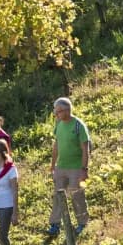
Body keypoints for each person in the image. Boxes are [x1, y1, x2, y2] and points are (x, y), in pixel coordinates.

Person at [48, 97, 90, 237]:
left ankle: (82, 223)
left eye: (58, 111)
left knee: (76, 195)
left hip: (76, 168)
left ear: (67, 110)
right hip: (61, 167)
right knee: (58, 195)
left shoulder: (79, 125)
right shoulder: (59, 123)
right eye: (55, 111)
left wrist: (84, 170)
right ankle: (55, 224)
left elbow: (85, 149)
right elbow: (56, 145)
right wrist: (53, 165)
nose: (56, 114)